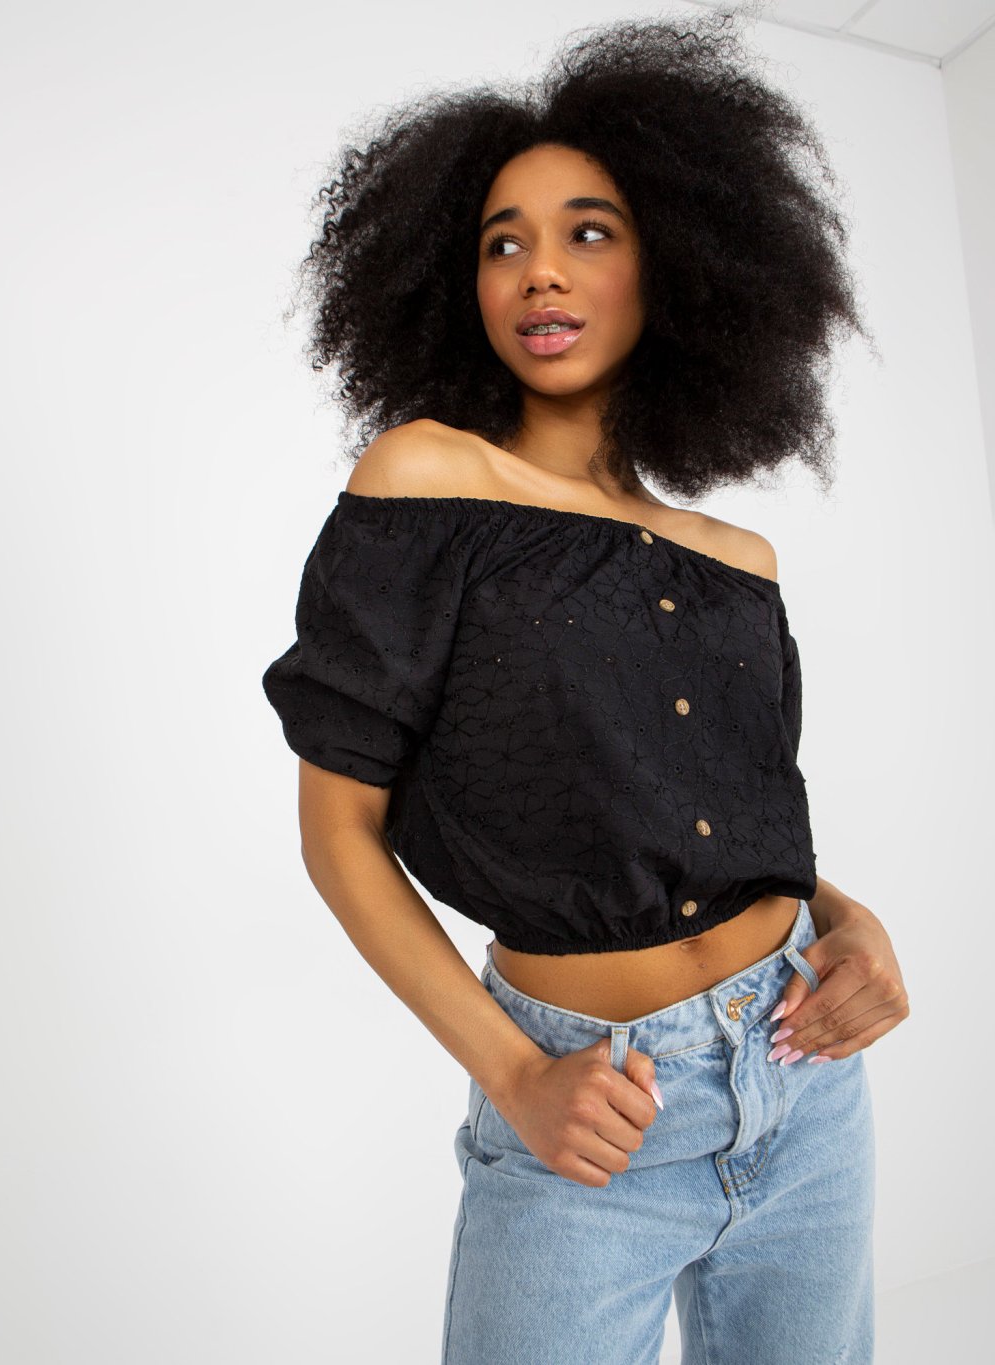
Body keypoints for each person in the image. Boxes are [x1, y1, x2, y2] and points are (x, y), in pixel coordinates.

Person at [262, 13, 909, 1363]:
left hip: (805, 1082)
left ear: (677, 260)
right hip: (588, 1109)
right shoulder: (426, 481)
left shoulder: (737, 558)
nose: (540, 271)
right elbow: (338, 832)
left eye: (589, 232)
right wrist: (514, 1072)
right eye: (502, 243)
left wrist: (853, 922)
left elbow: (730, 818)